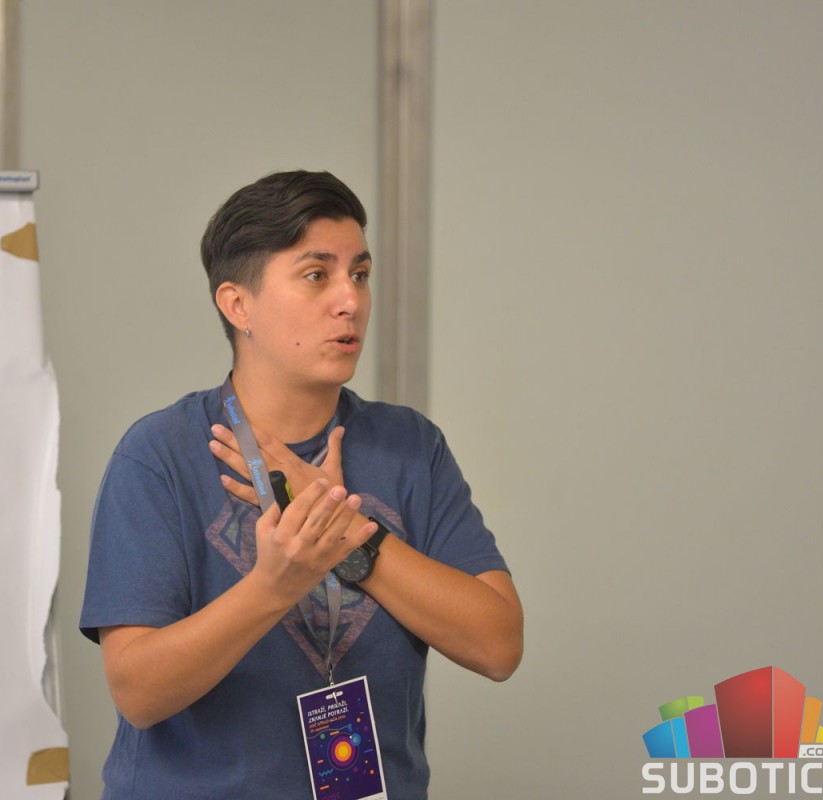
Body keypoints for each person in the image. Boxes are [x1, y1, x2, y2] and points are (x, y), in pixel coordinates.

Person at [80, 170, 523, 799]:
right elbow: (138, 692)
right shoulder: (160, 454)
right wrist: (273, 586)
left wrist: (350, 536)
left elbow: (498, 645)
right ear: (238, 305)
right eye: (317, 275)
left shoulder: (409, 447)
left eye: (360, 275)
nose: (351, 301)